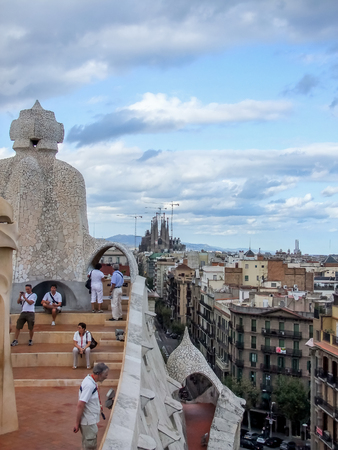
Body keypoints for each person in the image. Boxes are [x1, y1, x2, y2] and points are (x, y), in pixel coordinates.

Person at [73, 362, 109, 450]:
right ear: (99, 374)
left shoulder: (91, 381)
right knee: (90, 447)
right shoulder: (89, 385)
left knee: (87, 445)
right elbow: (80, 405)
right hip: (88, 422)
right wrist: (77, 423)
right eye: (105, 375)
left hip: (90, 421)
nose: (106, 377)